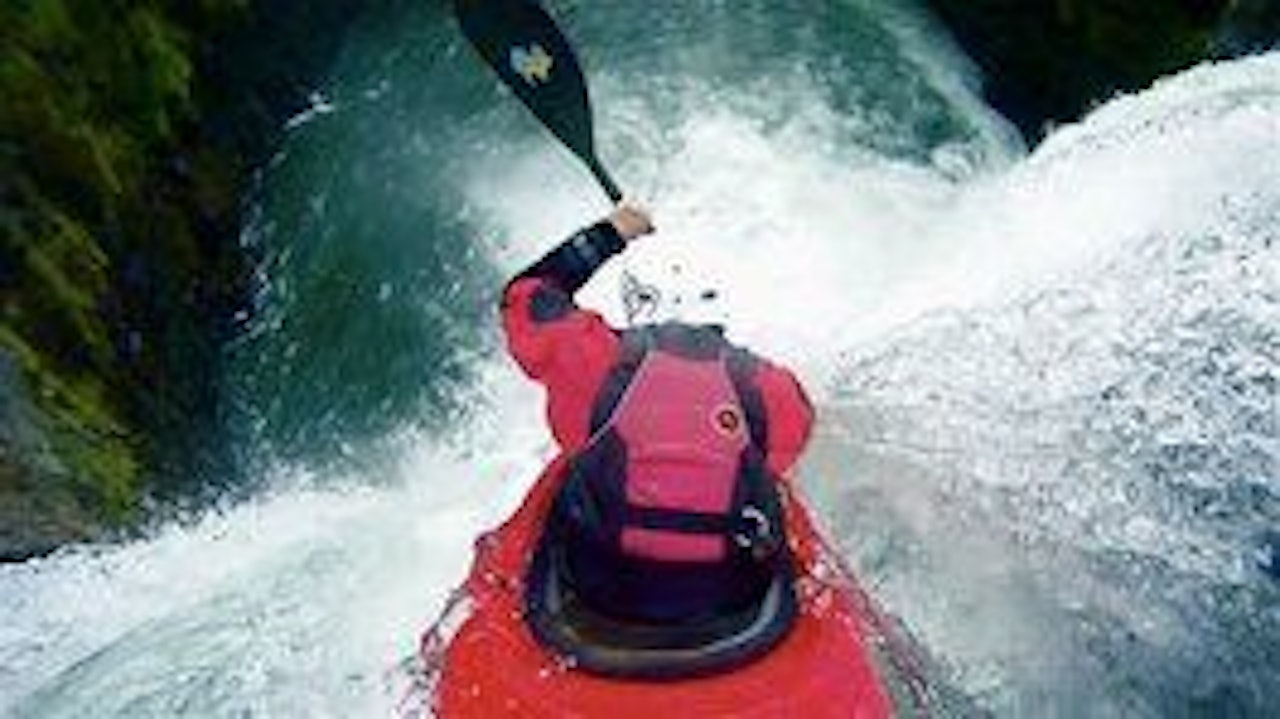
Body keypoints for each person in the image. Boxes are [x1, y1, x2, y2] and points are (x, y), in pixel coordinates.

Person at [500, 203, 819, 678]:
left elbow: (524, 294)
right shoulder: (774, 389)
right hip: (728, 605)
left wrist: (611, 232)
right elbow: (781, 453)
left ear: (641, 302)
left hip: (599, 593)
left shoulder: (589, 358)